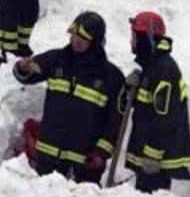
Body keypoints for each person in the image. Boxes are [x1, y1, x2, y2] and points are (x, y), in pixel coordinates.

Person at [13, 12, 125, 183]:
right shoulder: (56, 60)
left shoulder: (111, 76)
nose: (76, 40)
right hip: (49, 155)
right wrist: (22, 68)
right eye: (74, 35)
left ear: (96, 41)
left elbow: (115, 121)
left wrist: (101, 153)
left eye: (83, 38)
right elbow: (26, 75)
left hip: (85, 162)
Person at [124, 11, 190, 194]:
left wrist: (153, 154)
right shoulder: (152, 67)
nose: (131, 42)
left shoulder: (164, 69)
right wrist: (132, 89)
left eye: (134, 37)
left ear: (146, 38)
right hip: (149, 156)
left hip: (156, 161)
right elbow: (146, 108)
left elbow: (166, 117)